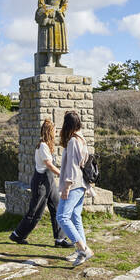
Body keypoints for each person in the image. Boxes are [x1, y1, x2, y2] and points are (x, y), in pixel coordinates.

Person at [9, 119, 73, 248]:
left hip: (48, 181)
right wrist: (62, 175)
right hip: (41, 182)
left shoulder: (47, 145)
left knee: (57, 207)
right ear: (50, 131)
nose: (56, 132)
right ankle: (18, 235)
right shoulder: (43, 145)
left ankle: (60, 239)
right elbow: (48, 165)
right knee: (35, 211)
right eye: (54, 130)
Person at [56, 111, 95, 266]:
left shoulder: (73, 141)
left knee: (62, 216)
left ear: (67, 124)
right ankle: (82, 251)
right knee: (75, 217)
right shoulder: (81, 138)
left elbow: (72, 166)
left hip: (74, 184)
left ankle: (83, 249)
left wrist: (67, 186)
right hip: (81, 184)